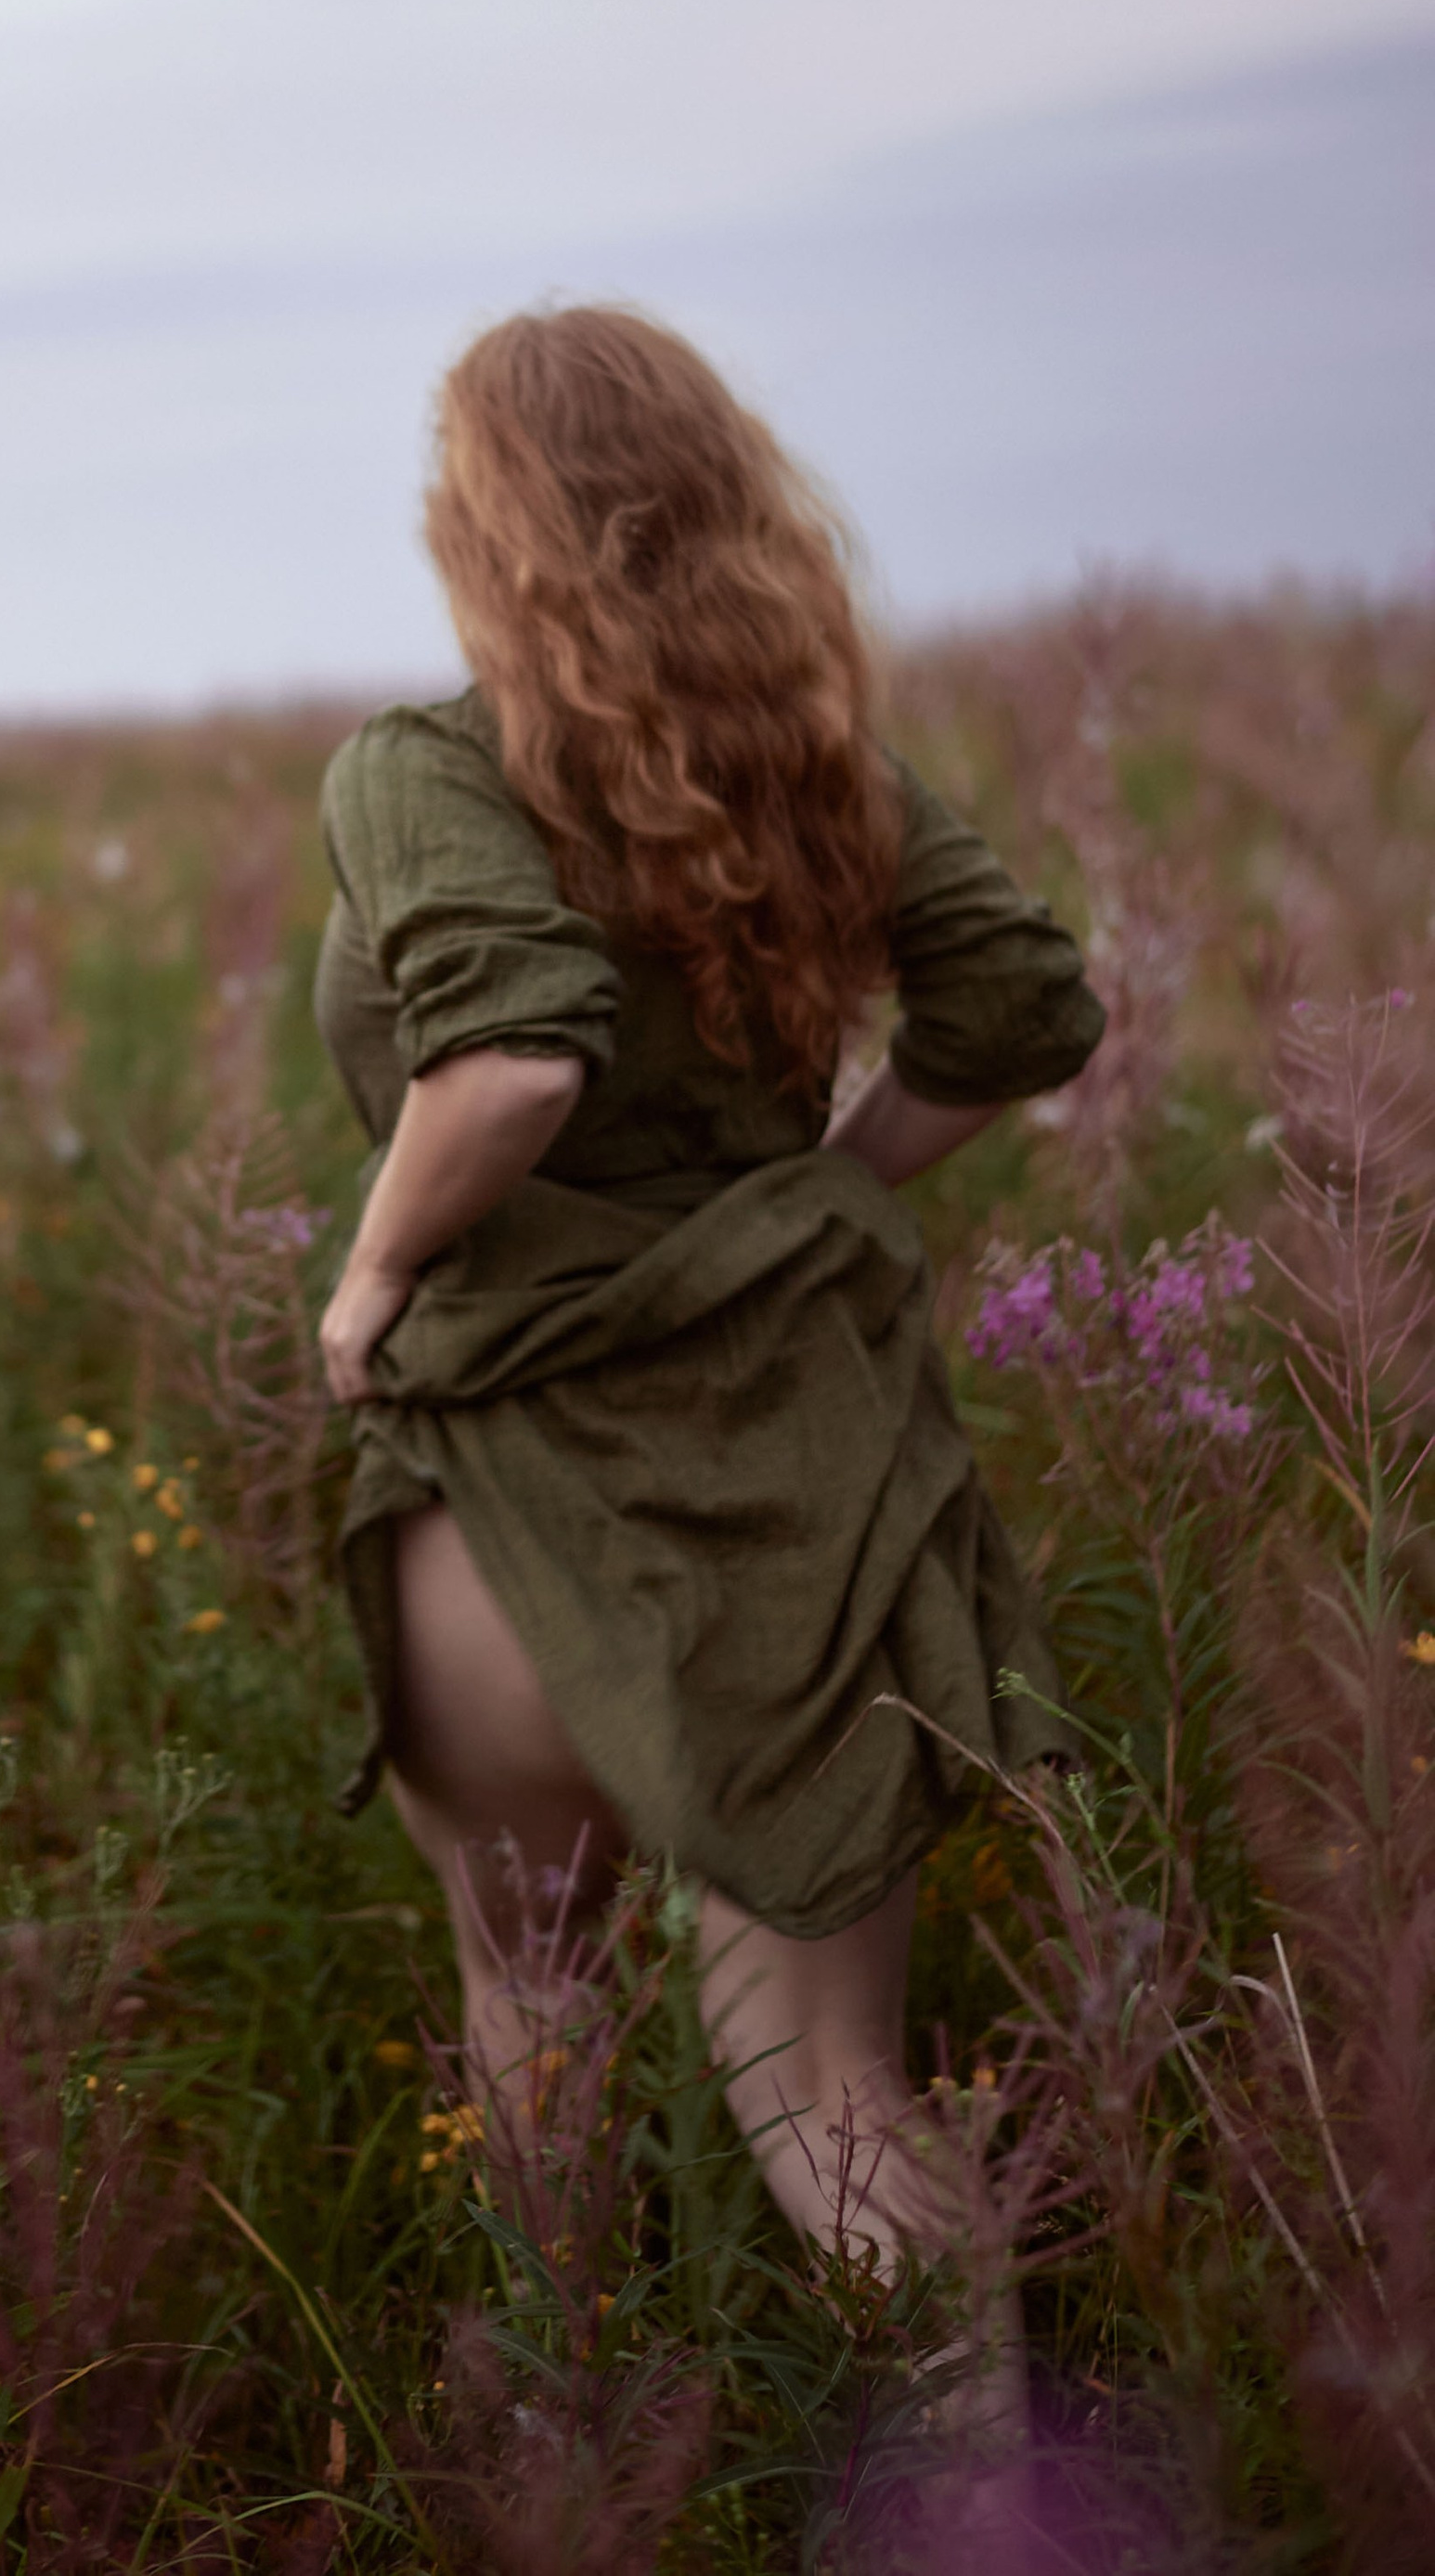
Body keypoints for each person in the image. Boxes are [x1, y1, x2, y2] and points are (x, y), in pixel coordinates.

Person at [314, 303, 1103, 2340]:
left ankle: (562, 2455)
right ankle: (986, 2503)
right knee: (831, 2095)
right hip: (797, 1494)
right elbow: (1019, 1005)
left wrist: (375, 1272)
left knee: (533, 1999)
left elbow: (505, 1069)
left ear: (482, 527)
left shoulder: (426, 770)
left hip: (510, 1473)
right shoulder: (813, 775)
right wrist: (817, 1193)